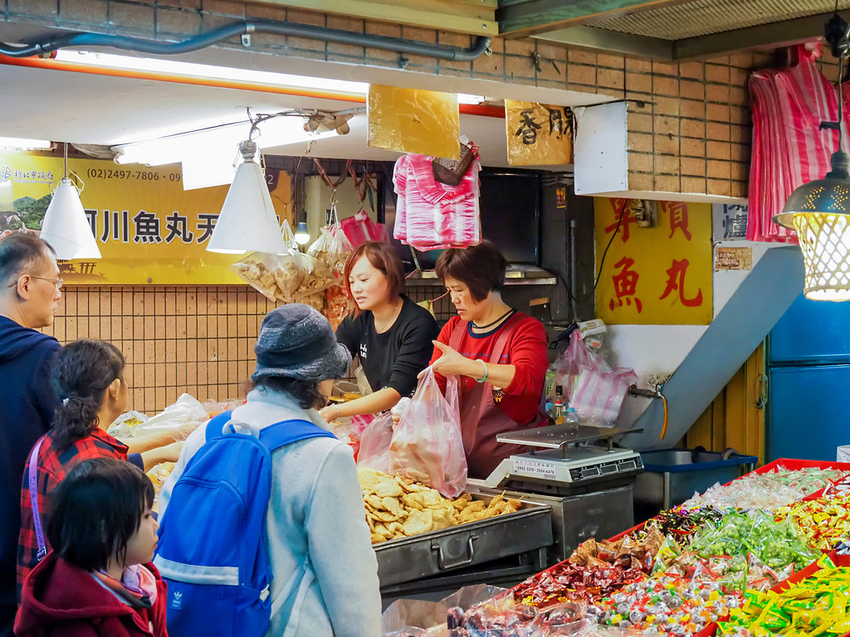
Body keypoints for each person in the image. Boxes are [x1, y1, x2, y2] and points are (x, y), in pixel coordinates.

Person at [159, 304, 382, 637]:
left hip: (199, 622)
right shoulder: (325, 455)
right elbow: (350, 585)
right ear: (318, 377)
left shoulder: (206, 436)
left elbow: (165, 525)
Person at [17, 340, 182, 591]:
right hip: (87, 605)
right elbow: (131, 541)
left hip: (40, 595)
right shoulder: (98, 465)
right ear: (114, 388)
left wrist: (163, 451)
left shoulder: (47, 443)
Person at [429, 241, 549, 478]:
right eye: (450, 290)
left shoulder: (526, 329)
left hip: (514, 470)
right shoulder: (453, 329)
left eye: (459, 290)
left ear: (483, 284)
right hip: (459, 469)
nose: (453, 299)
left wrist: (469, 367)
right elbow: (434, 389)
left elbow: (528, 380)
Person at [15, 457, 168, 637]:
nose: (155, 525)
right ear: (105, 530)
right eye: (146, 516)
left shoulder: (143, 581)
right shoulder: (74, 623)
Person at [0, 234, 63, 637]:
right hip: (21, 547)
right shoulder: (42, 355)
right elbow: (75, 451)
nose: (58, 294)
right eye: (55, 283)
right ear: (25, 285)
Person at [319, 241, 438, 424]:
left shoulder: (418, 324)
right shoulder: (357, 320)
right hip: (388, 422)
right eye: (351, 281)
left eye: (364, 280)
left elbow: (395, 393)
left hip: (423, 425)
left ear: (389, 277)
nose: (356, 288)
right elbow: (331, 364)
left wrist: (334, 411)